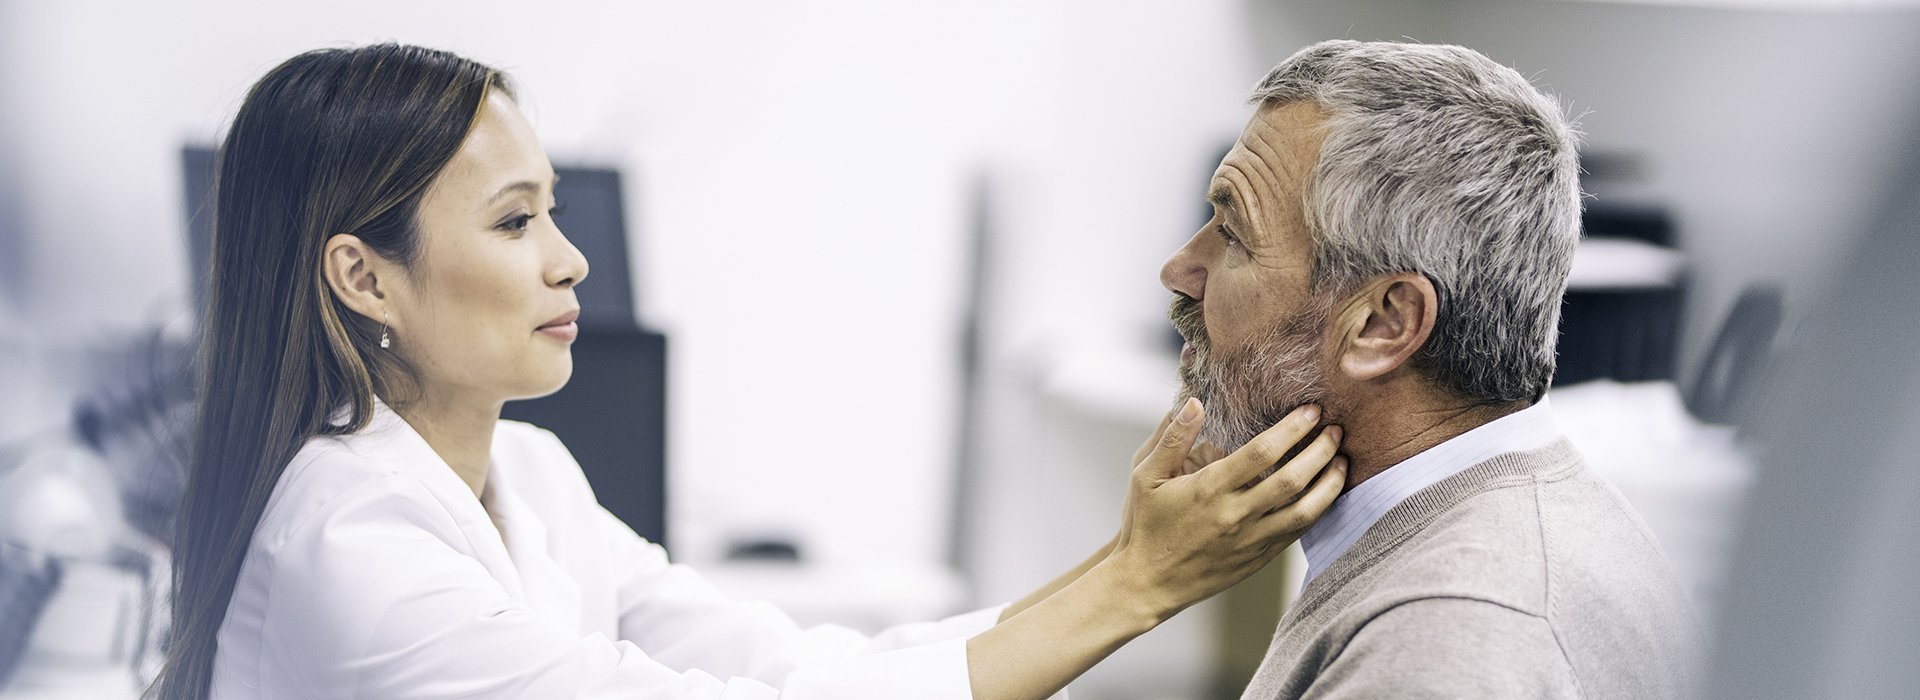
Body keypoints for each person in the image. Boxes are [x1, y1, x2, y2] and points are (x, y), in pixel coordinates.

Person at [144, 44, 1348, 700]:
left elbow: (788, 668)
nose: (570, 263)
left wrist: (1130, 560)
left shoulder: (530, 474)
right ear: (364, 278)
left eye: (553, 213)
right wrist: (1141, 585)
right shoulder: (348, 554)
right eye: (514, 224)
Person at [1159, 40, 1696, 699]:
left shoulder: (1449, 643)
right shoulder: (1500, 537)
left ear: (1384, 324)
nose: (1179, 272)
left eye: (1234, 236)